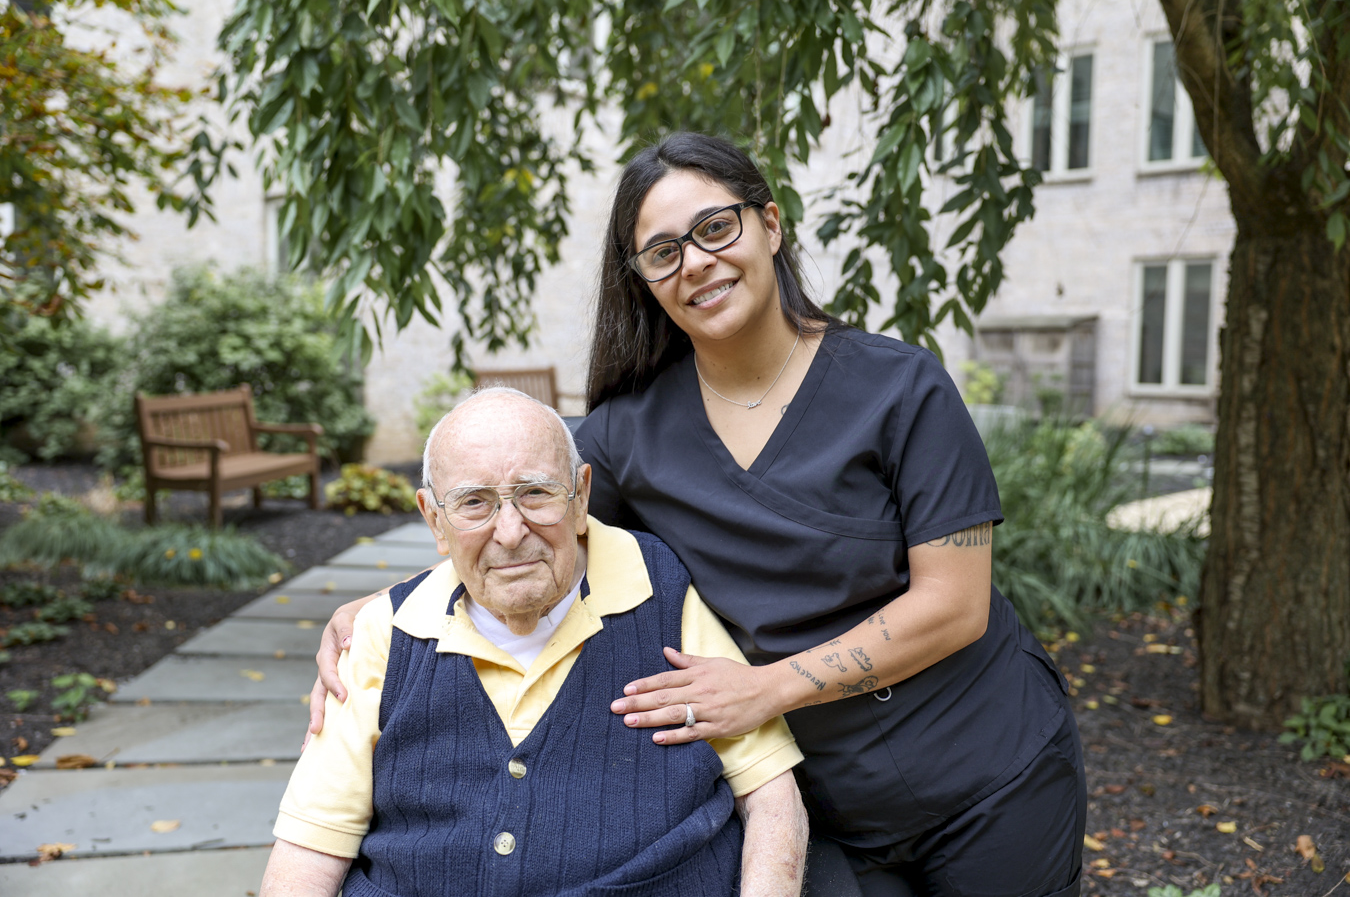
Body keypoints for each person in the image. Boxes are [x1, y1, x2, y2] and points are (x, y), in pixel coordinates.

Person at [309, 133, 1087, 896]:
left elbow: (955, 605)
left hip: (991, 770)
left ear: (771, 225)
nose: (697, 263)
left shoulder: (901, 387)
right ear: (644, 278)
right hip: (826, 808)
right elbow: (532, 527)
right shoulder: (628, 431)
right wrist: (379, 614)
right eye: (663, 251)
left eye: (716, 228)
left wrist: (767, 688)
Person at [263, 388, 808, 897]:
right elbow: (307, 851)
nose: (510, 531)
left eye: (535, 493)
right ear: (435, 519)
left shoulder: (657, 591)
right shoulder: (385, 632)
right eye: (474, 502)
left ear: (579, 497)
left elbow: (771, 796)